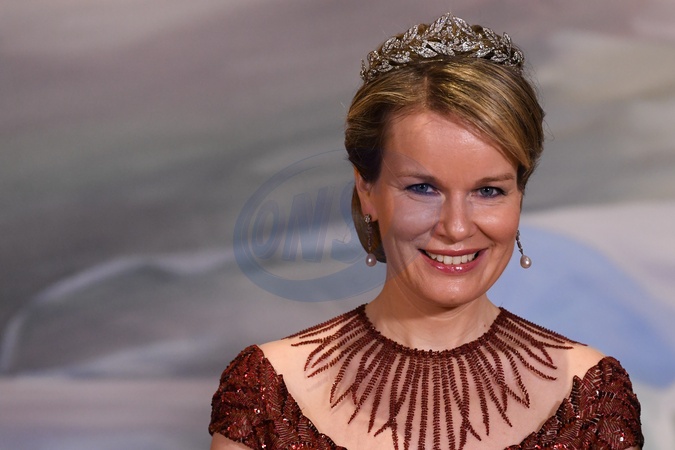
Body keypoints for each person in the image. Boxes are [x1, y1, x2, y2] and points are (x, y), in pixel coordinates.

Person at [208, 13, 643, 450]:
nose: (456, 227)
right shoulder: (268, 393)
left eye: (488, 191)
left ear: (520, 195)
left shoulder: (591, 398)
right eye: (423, 188)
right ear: (367, 190)